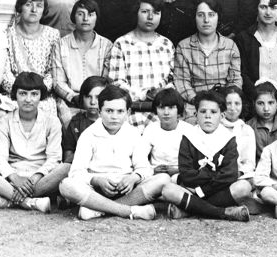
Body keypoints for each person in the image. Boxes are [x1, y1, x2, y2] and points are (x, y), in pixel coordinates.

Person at [58, 85, 164, 221]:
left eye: (120, 111)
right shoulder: (89, 135)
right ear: (99, 111)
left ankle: (99, 210)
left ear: (128, 112)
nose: (114, 117)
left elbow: (144, 168)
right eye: (109, 111)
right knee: (66, 185)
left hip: (127, 189)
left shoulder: (134, 134)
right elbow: (76, 172)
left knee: (162, 179)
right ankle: (129, 211)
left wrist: (134, 178)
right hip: (96, 190)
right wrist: (96, 180)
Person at [0, 72, 67, 213]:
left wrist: (34, 178)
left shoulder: (52, 121)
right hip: (12, 177)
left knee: (66, 168)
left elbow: (54, 158)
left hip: (39, 178)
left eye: (34, 94)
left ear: (41, 96)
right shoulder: (5, 121)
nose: (28, 99)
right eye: (23, 94)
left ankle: (7, 200)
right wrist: (15, 178)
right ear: (15, 95)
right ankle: (28, 202)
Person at [159, 91, 252, 222]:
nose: (208, 116)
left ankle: (188, 210)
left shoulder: (228, 138)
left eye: (213, 112)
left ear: (222, 115)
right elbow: (186, 174)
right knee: (167, 190)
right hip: (194, 188)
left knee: (244, 187)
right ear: (196, 115)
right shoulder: (189, 137)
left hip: (215, 190)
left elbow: (229, 175)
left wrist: (202, 191)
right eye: (203, 112)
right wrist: (212, 175)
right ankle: (222, 212)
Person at [108, 0, 175, 120]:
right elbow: (117, 83)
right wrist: (146, 95)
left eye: (156, 13)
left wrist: (162, 94)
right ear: (136, 13)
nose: (150, 17)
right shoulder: (122, 43)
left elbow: (173, 80)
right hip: (131, 113)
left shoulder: (167, 44)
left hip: (162, 112)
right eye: (145, 11)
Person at [174, 0, 242, 118]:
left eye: (211, 15)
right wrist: (200, 103)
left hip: (224, 106)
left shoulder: (230, 46)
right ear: (195, 17)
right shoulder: (183, 47)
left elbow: (235, 81)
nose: (206, 20)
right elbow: (182, 82)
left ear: (218, 17)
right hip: (194, 106)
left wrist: (221, 103)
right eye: (201, 15)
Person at [2, 0, 61, 118]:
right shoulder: (7, 34)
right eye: (28, 5)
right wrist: (22, 92)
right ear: (20, 8)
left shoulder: (53, 35)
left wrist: (37, 92)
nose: (34, 10)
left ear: (44, 10)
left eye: (39, 6)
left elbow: (54, 71)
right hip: (14, 95)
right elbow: (5, 72)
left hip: (42, 96)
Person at [51, 0, 113, 121]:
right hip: (70, 102)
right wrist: (74, 97)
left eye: (90, 15)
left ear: (96, 17)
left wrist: (95, 99)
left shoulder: (106, 45)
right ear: (74, 17)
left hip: (99, 102)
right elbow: (58, 82)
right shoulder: (61, 45)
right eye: (80, 14)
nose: (85, 19)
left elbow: (107, 79)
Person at [236, 0, 277, 107]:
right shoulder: (244, 38)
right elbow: (242, 72)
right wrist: (255, 96)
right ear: (256, 9)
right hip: (252, 99)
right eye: (263, 7)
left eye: (273, 7)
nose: (268, 12)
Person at [138, 88, 193, 179]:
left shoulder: (189, 130)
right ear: (156, 109)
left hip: (181, 175)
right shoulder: (151, 129)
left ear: (178, 109)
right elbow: (140, 156)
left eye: (171, 108)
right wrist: (152, 170)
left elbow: (196, 161)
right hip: (155, 175)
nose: (166, 113)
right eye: (161, 108)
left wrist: (177, 170)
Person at [62, 76, 107, 164]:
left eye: (98, 97)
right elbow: (67, 157)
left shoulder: (112, 122)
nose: (93, 102)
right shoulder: (75, 122)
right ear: (82, 97)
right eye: (88, 97)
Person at [219, 85, 257, 179]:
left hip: (239, 175)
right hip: (218, 173)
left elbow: (250, 163)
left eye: (237, 103)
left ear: (242, 105)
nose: (232, 108)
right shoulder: (216, 127)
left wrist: (239, 173)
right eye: (228, 103)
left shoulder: (247, 130)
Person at [247, 81, 277, 160]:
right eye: (260, 103)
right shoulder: (248, 127)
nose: (266, 108)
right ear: (254, 104)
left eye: (270, 103)